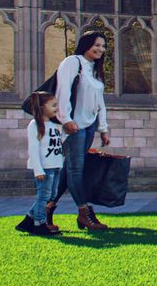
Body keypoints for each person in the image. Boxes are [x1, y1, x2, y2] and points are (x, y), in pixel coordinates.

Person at [53, 30, 112, 230]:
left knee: (69, 170)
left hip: (89, 126)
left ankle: (46, 207)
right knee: (75, 169)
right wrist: (66, 120)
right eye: (97, 45)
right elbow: (63, 91)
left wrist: (103, 128)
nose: (100, 49)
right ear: (86, 44)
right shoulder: (72, 62)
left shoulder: (94, 69)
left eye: (103, 46)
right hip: (74, 126)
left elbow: (100, 102)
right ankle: (84, 213)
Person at [20, 90, 67, 237]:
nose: (56, 108)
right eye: (53, 105)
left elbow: (58, 144)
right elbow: (33, 149)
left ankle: (28, 220)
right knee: (43, 196)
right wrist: (38, 169)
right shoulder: (34, 125)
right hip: (44, 168)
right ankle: (39, 224)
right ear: (42, 107)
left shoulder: (53, 125)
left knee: (51, 195)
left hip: (56, 165)